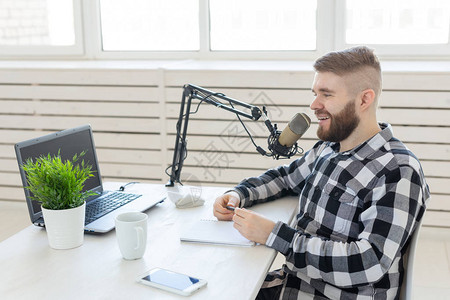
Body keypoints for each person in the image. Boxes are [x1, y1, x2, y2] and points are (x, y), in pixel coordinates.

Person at [213, 46, 429, 300]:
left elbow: (368, 262)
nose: (314, 105)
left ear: (364, 99)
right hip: (295, 283)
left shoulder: (398, 170)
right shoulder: (328, 149)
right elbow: (286, 178)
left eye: (326, 94)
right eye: (315, 93)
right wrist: (239, 193)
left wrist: (275, 235)